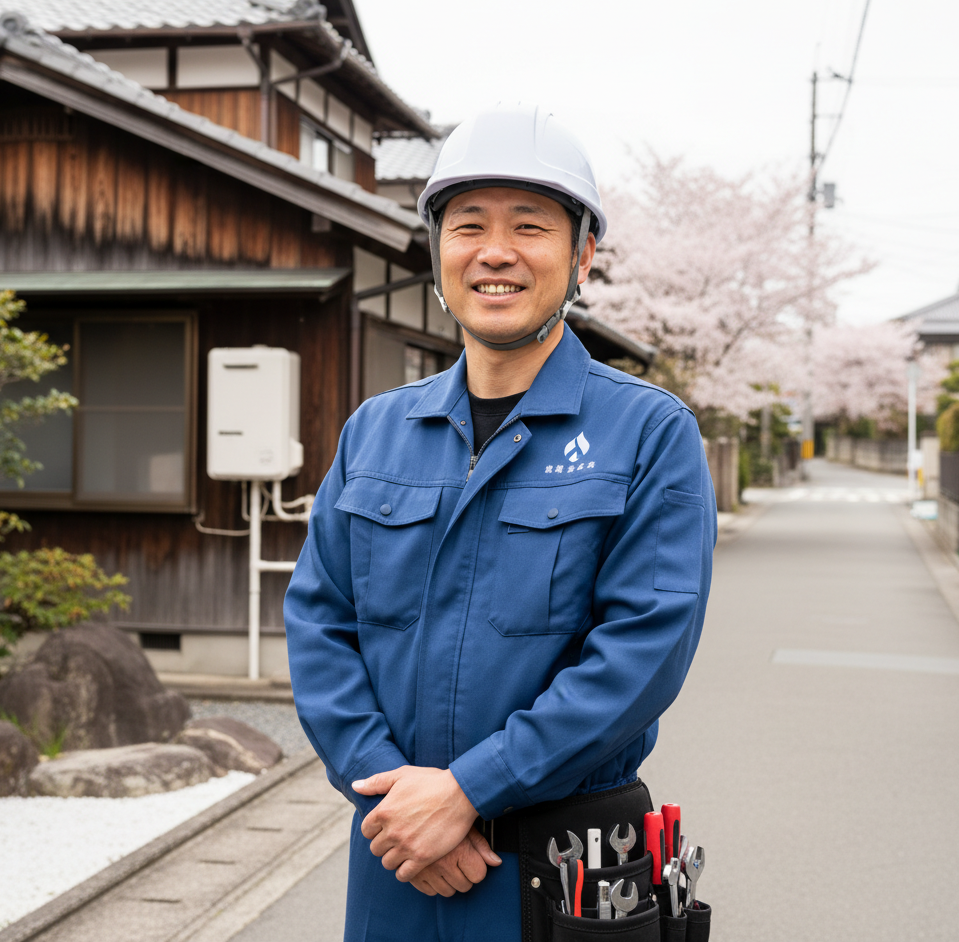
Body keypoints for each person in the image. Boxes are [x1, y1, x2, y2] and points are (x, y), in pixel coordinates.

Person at [284, 103, 715, 942]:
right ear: (438, 254)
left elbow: (644, 649)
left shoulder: (649, 431)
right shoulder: (376, 430)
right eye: (468, 224)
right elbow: (318, 622)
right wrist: (393, 796)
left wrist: (470, 790)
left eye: (531, 226)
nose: (496, 251)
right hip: (396, 853)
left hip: (566, 866)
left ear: (583, 254)